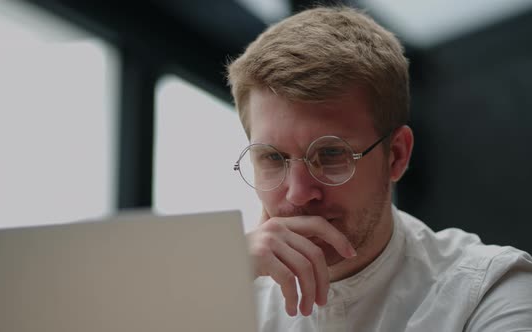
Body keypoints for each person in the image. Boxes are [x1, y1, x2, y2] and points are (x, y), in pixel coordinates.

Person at [226, 5, 532, 331]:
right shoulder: (230, 288)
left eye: (330, 153)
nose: (299, 194)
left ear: (396, 156)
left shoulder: (489, 291)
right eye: (273, 158)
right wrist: (213, 287)